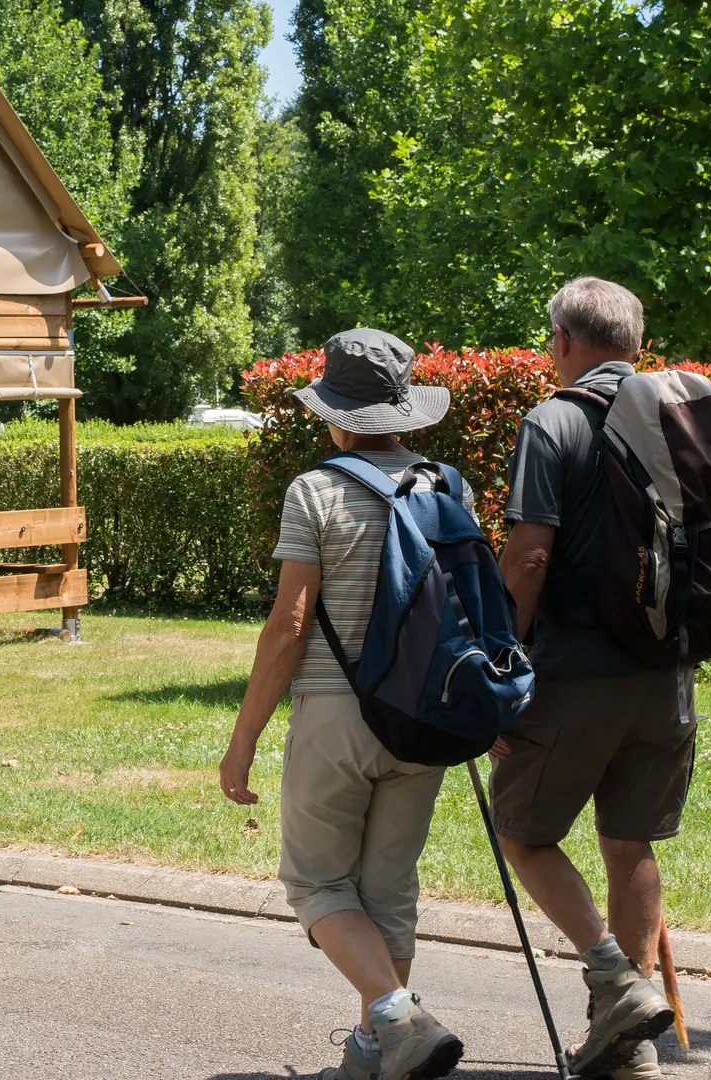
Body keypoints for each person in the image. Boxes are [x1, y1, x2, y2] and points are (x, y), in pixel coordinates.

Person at [220, 328, 470, 1080]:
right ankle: (373, 1056)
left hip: (336, 712)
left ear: (335, 414)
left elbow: (290, 625)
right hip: (423, 716)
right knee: (389, 893)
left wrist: (244, 740)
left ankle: (399, 1019)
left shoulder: (316, 491)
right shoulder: (447, 486)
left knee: (316, 883)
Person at [491, 277, 687, 1079]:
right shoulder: (679, 415)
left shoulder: (556, 419)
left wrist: (502, 662)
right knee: (627, 839)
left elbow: (530, 556)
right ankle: (627, 1048)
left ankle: (617, 984)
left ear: (566, 340)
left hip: (579, 670)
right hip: (669, 671)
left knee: (522, 833)